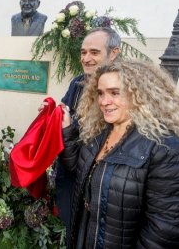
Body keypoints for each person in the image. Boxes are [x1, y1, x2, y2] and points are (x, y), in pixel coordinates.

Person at [59, 61, 179, 248]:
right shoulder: (98, 131)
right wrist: (66, 129)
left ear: (139, 93)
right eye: (100, 93)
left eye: (115, 93)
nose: (104, 102)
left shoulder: (163, 146)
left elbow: (164, 228)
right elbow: (79, 168)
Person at [38, 27, 121, 237]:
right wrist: (53, 113)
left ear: (114, 53)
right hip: (70, 176)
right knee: (72, 230)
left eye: (94, 52)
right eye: (83, 52)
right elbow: (65, 110)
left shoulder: (127, 90)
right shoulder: (77, 83)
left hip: (99, 183)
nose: (86, 58)